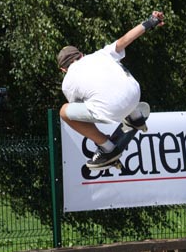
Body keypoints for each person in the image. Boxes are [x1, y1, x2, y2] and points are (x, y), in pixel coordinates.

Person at [58, 10, 164, 167]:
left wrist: (101, 135)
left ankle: (106, 147)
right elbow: (125, 39)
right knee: (116, 71)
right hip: (135, 94)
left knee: (64, 112)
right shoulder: (100, 54)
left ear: (63, 70)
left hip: (113, 109)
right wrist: (151, 21)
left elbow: (81, 113)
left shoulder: (68, 82)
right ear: (81, 54)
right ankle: (135, 117)